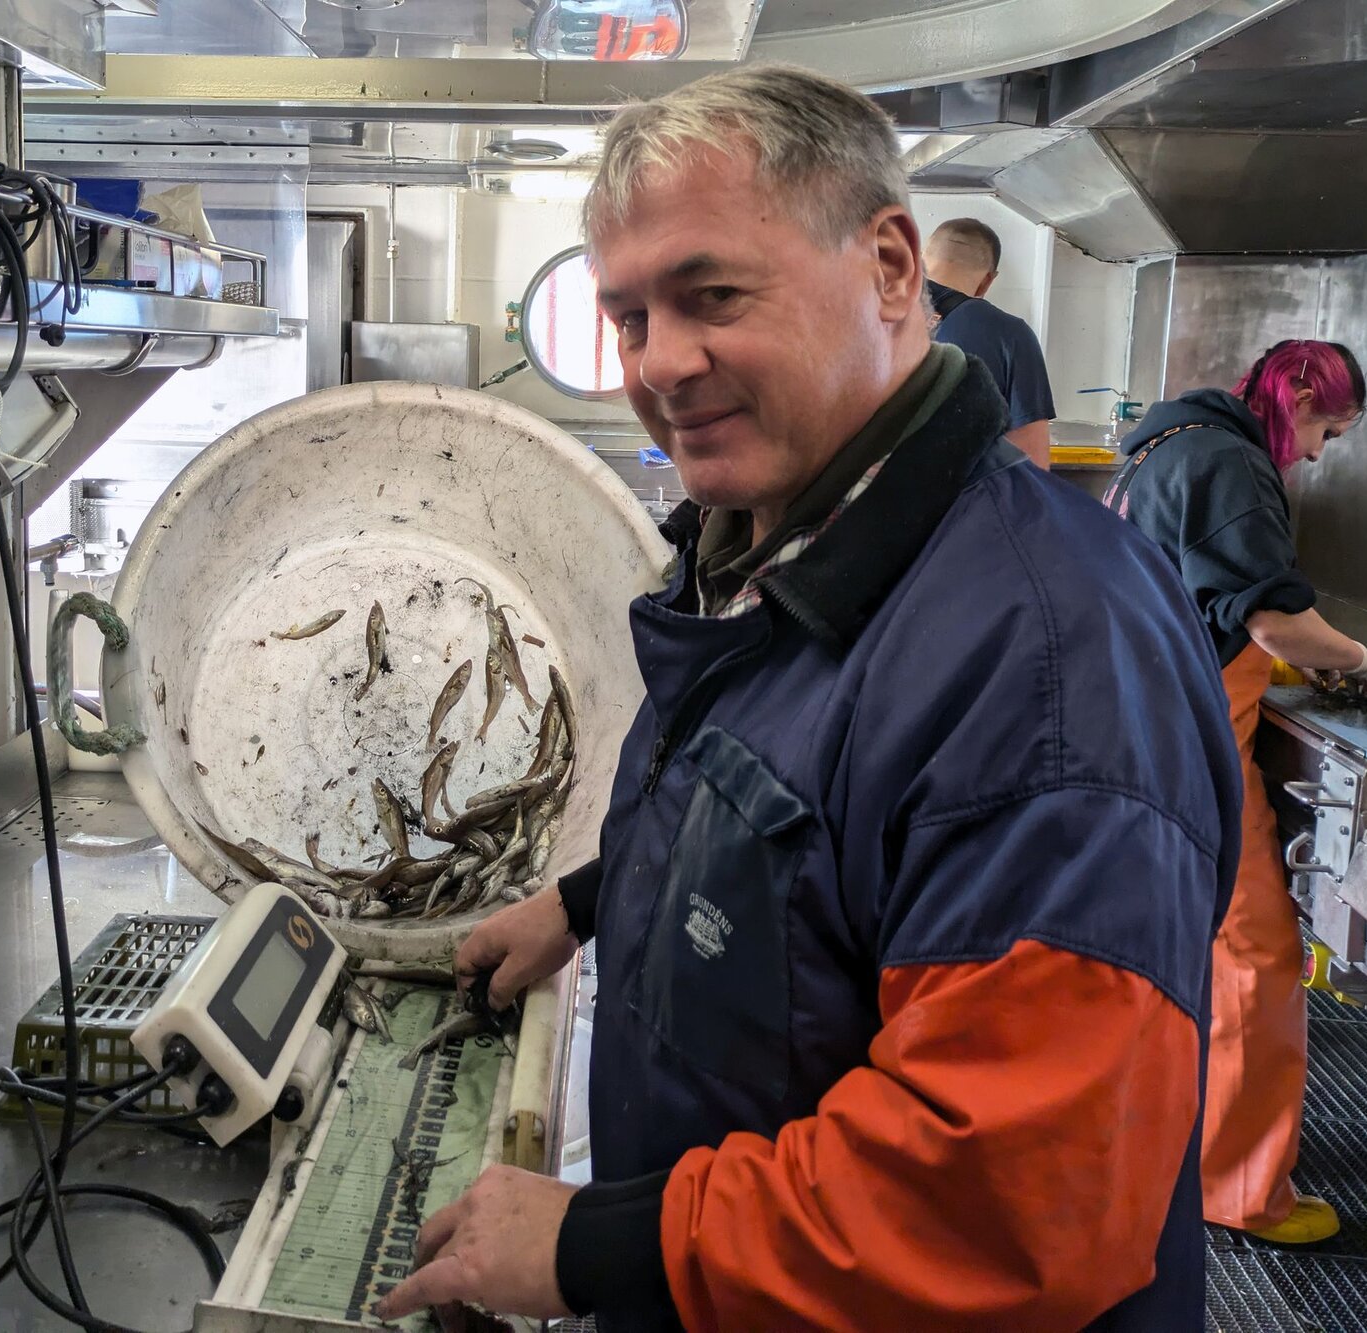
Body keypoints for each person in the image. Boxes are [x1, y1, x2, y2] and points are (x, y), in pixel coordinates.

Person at [374, 64, 1242, 1332]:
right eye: (626, 317)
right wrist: (587, 902)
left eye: (712, 295)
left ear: (888, 269)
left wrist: (600, 1243)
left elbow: (1013, 1200)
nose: (661, 362)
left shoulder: (1048, 666)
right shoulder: (781, 543)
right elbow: (788, 817)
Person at [1102, 342, 1367, 1245]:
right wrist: (1366, 662)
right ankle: (1238, 1183)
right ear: (1298, 393)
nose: (1314, 453)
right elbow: (1273, 618)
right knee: (1254, 956)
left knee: (1173, 956)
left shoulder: (1164, 444)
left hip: (1138, 725)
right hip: (1189, 742)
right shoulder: (1229, 461)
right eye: (1325, 431)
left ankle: (1161, 1143)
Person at [924, 218, 1056, 468]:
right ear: (987, 280)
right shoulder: (1010, 334)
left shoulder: (875, 307)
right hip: (960, 490)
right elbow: (1032, 462)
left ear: (921, 258)